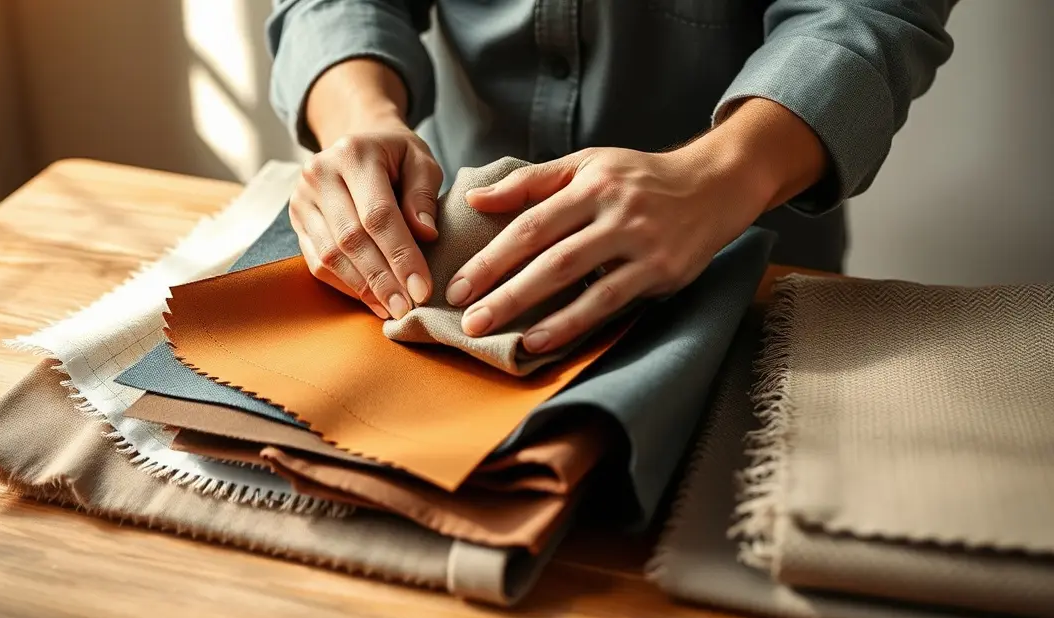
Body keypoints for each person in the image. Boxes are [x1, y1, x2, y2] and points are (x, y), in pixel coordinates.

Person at [267, 0, 954, 355]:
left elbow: (869, 13)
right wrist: (360, 116)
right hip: (431, 229)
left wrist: (716, 175)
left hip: (744, 273)